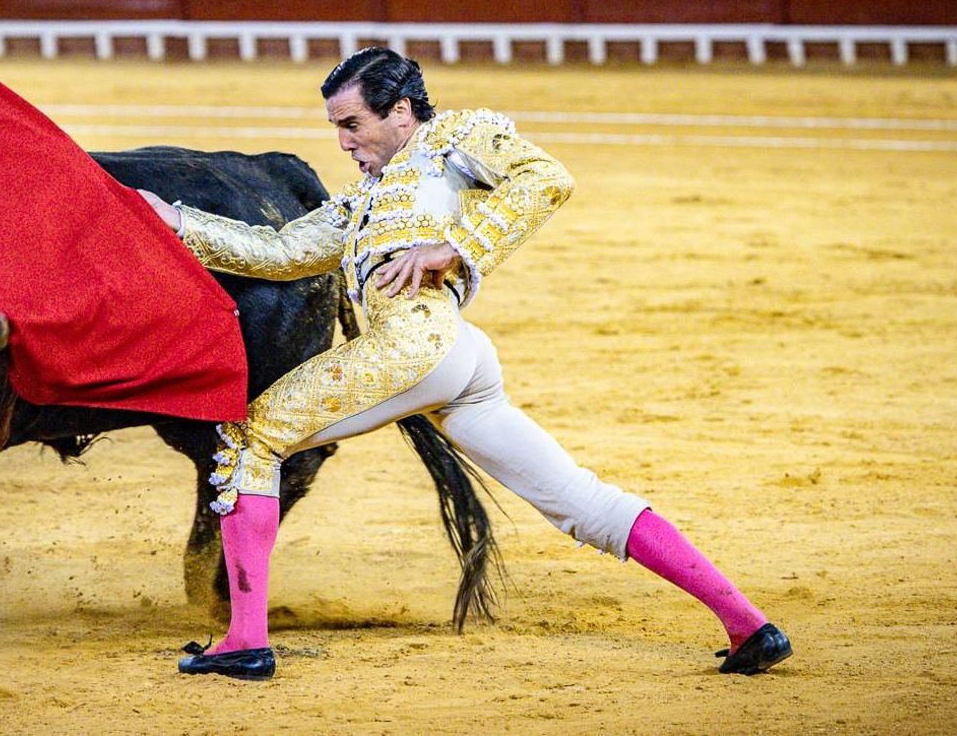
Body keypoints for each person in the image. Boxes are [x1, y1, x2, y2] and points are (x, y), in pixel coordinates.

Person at [138, 48, 793, 681]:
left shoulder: (454, 139)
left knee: (251, 436)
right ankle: (749, 626)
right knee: (576, 500)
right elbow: (281, 252)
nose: (342, 141)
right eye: (335, 127)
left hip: (417, 346)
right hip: (456, 361)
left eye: (351, 124)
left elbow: (546, 178)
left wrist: (453, 246)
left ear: (400, 111)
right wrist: (179, 223)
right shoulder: (364, 197)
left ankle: (245, 642)